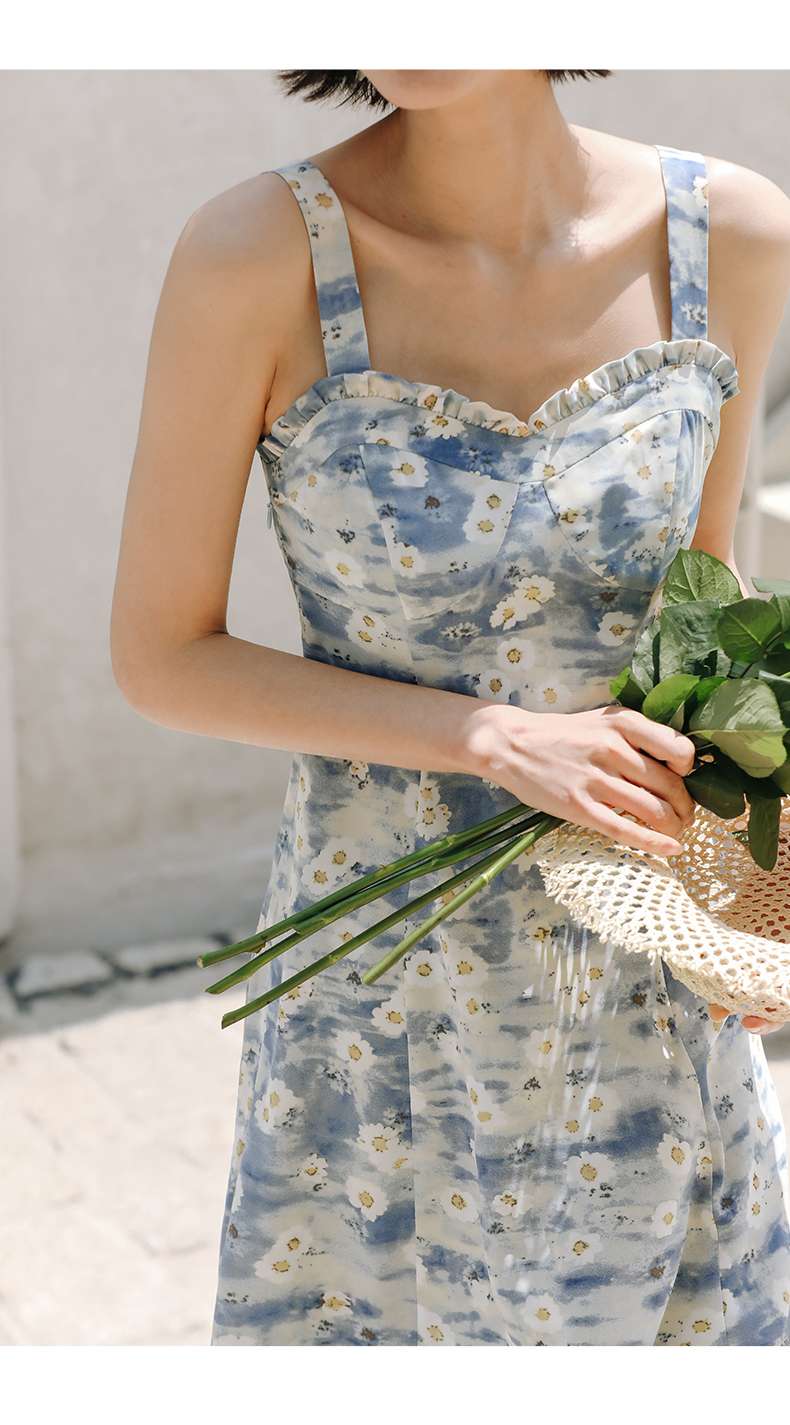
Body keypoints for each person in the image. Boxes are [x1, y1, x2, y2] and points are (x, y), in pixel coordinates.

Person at [110, 69, 790, 1345]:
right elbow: (163, 653)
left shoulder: (731, 235)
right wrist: (486, 736)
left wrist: (755, 889)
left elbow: (706, 610)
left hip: (641, 966)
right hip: (387, 976)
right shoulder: (256, 256)